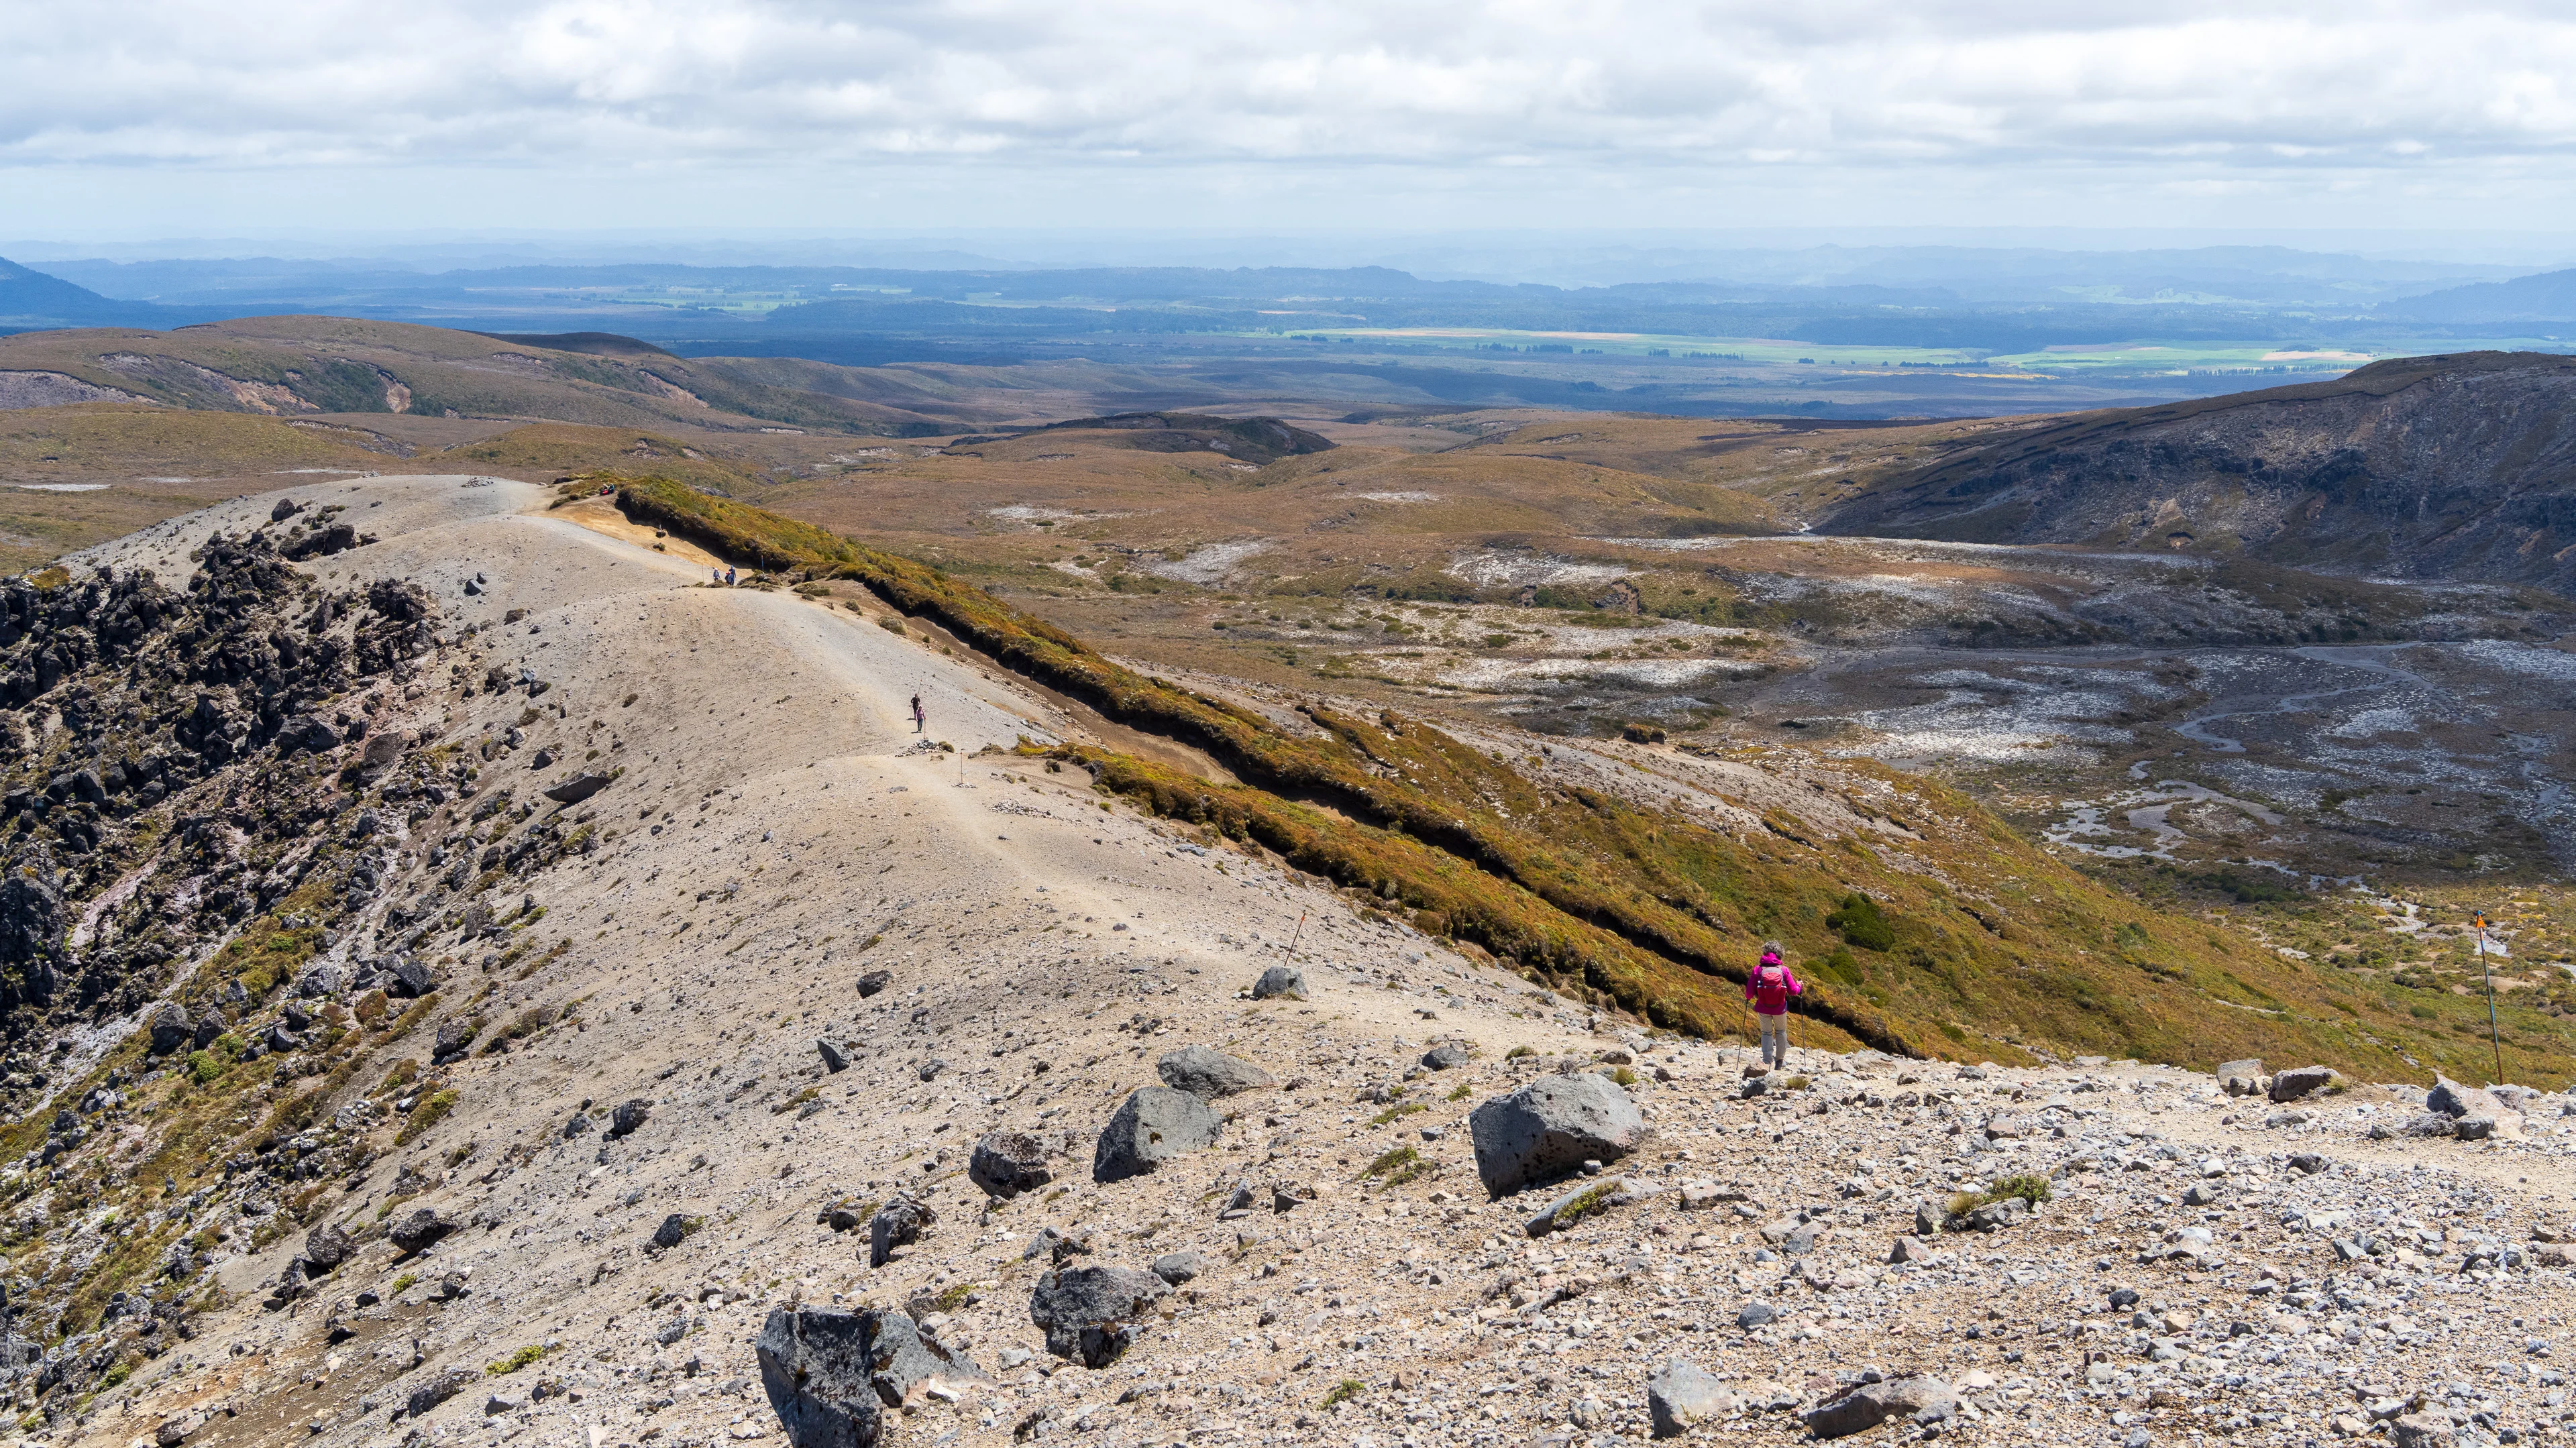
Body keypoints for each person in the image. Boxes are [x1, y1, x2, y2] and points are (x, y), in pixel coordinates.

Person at [1746, 941, 1801, 1068]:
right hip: (1780, 1009)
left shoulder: (1758, 969)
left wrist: (1749, 998)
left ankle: (1766, 1061)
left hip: (1763, 1008)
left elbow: (1749, 993)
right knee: (1781, 1032)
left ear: (1765, 952)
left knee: (1766, 1033)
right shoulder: (1784, 970)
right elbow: (1793, 991)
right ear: (1780, 954)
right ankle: (1779, 1061)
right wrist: (1799, 986)